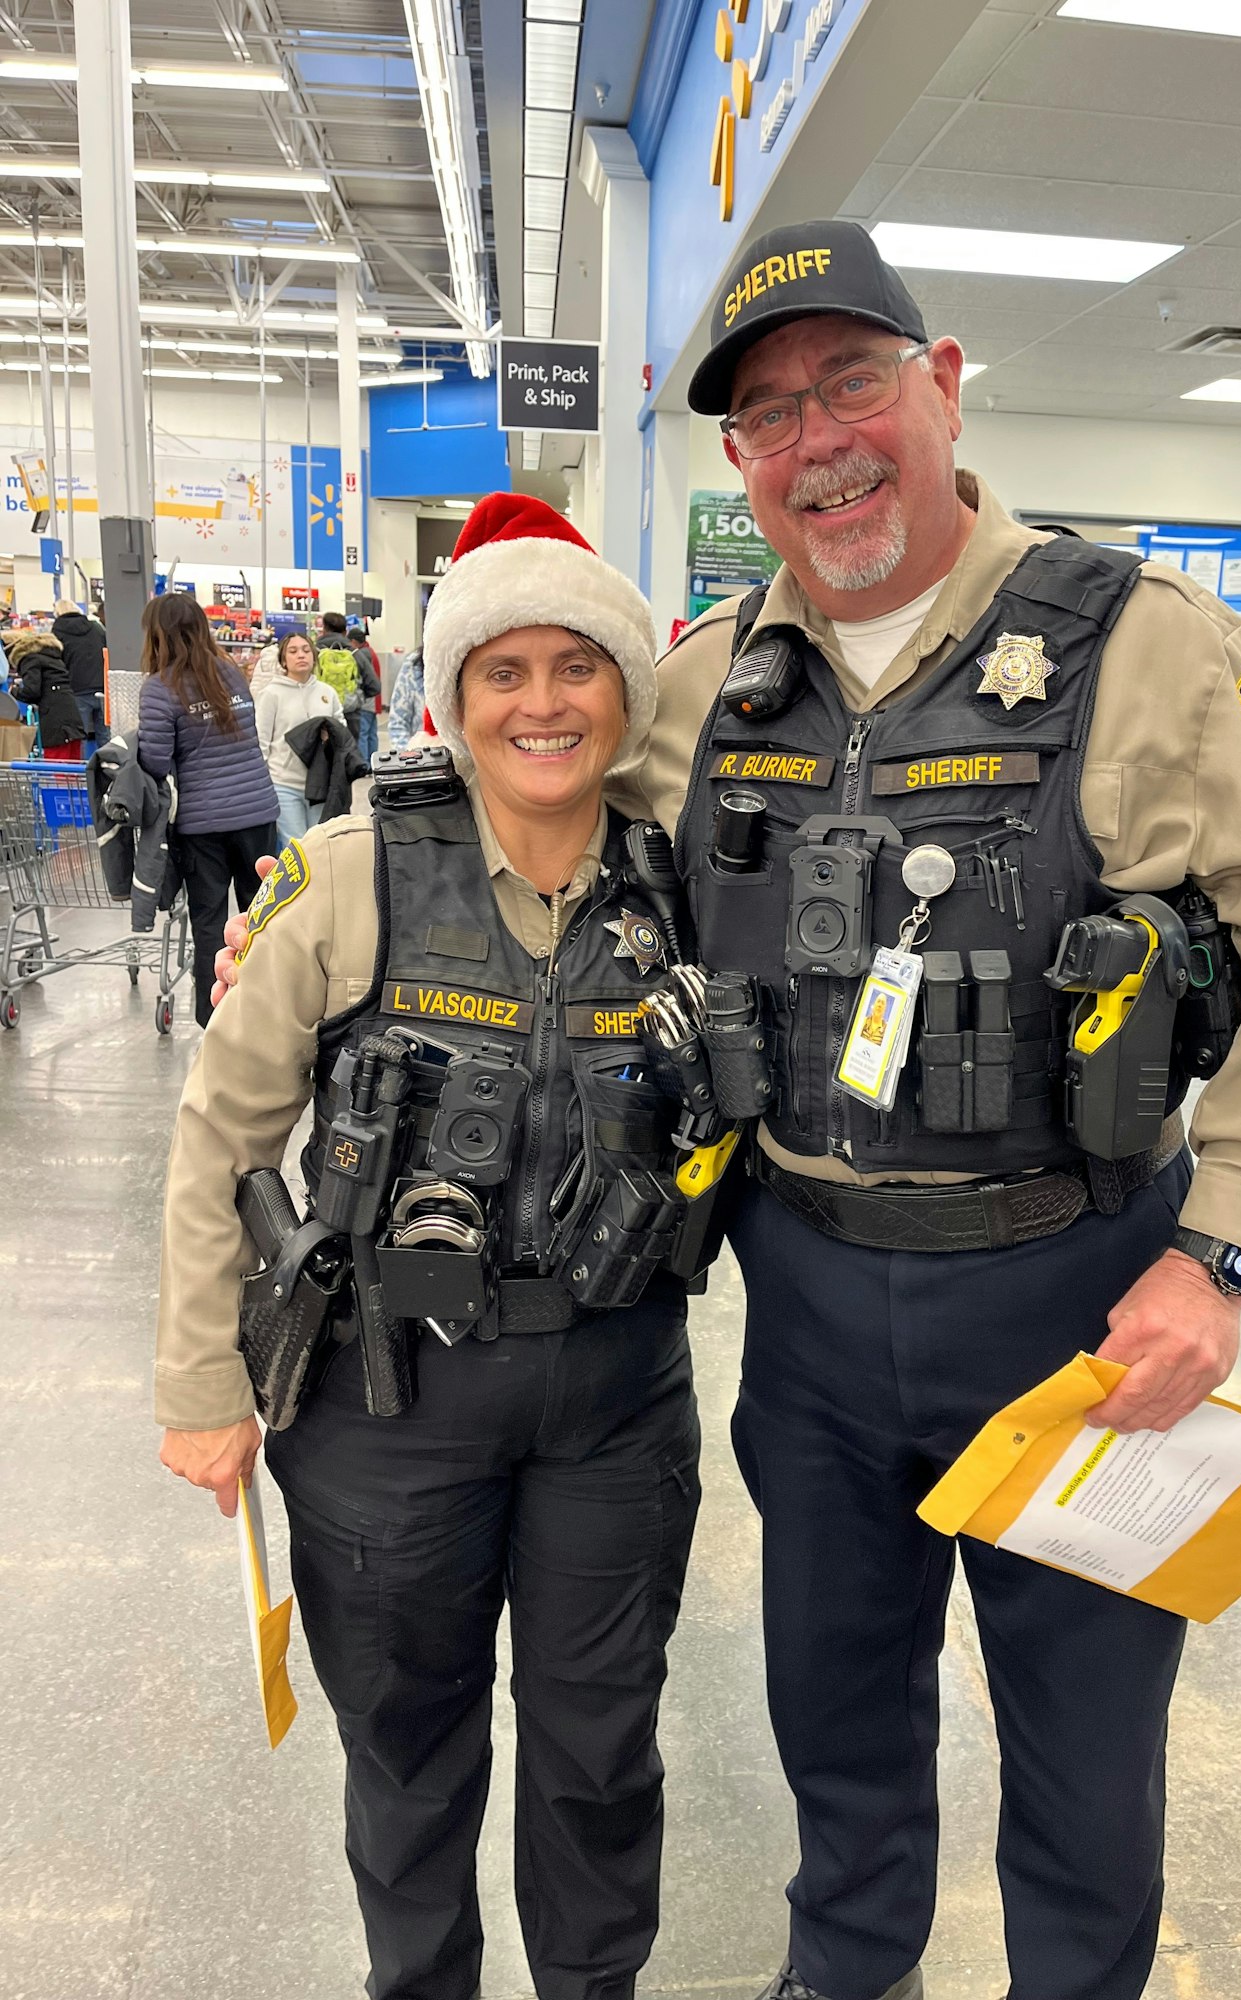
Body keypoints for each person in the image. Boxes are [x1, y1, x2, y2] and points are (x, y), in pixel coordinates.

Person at [217, 223, 1241, 2000]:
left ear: (939, 391)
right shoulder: (700, 684)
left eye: (853, 383)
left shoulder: (1139, 647)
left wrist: (1220, 1261)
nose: (818, 440)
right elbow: (515, 794)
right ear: (741, 466)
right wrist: (307, 912)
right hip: (813, 1310)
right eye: (768, 416)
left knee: (1085, 1758)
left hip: (1080, 1296)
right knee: (837, 1722)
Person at [159, 494, 702, 2000]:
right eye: (503, 671)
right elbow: (221, 1134)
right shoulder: (344, 875)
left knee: (603, 1754)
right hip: (382, 1408)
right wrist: (203, 1383)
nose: (543, 703)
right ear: (453, 699)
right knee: (407, 1763)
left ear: (625, 693)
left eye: (577, 668)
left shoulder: (683, 886)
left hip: (613, 1399)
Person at [137, 593, 279, 1028]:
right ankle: (267, 1007)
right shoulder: (231, 675)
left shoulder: (159, 689)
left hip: (203, 825)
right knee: (262, 916)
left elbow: (156, 762)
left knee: (211, 922)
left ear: (157, 635)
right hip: (257, 811)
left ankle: (214, 1015)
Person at [254, 629, 344, 846]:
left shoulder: (326, 693)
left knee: (321, 845)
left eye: (305, 650)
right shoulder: (271, 694)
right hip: (284, 783)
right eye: (293, 651)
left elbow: (341, 729)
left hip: (320, 783)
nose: (301, 655)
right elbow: (261, 741)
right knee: (295, 847)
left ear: (314, 656)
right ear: (284, 660)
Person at [6, 626, 85, 761]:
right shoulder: (51, 657)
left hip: (54, 720)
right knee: (74, 767)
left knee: (55, 766)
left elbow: (32, 691)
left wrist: (14, 691)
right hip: (71, 715)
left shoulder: (29, 659)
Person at [52, 599, 109, 752]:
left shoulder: (56, 633)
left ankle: (82, 774)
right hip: (103, 687)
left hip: (76, 689)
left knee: (79, 738)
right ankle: (111, 772)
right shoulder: (97, 628)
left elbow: (57, 663)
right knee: (106, 737)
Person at [348, 621, 383, 765]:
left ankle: (364, 764)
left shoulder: (361, 654)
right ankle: (373, 762)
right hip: (375, 701)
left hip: (366, 701)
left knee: (362, 734)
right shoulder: (371, 651)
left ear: (354, 641)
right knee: (371, 734)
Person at [387, 645, 427, 750]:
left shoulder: (465, 658)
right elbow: (398, 721)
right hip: (421, 758)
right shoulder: (415, 665)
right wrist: (411, 759)